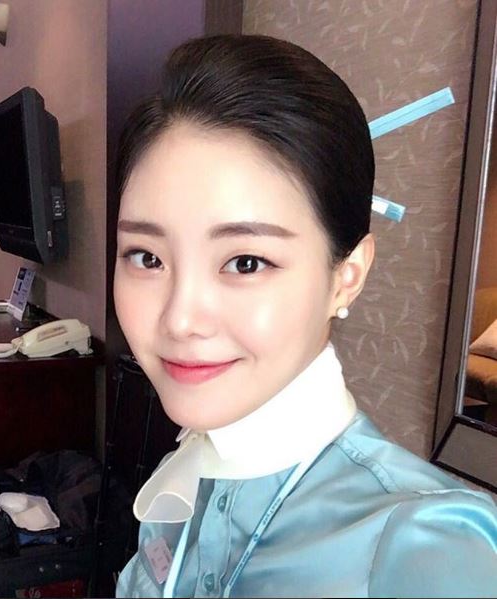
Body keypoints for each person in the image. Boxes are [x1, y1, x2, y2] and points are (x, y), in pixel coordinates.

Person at [112, 34, 497, 598]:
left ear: (348, 276)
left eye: (245, 262)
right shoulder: (189, 470)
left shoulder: (432, 547)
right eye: (147, 258)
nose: (180, 319)